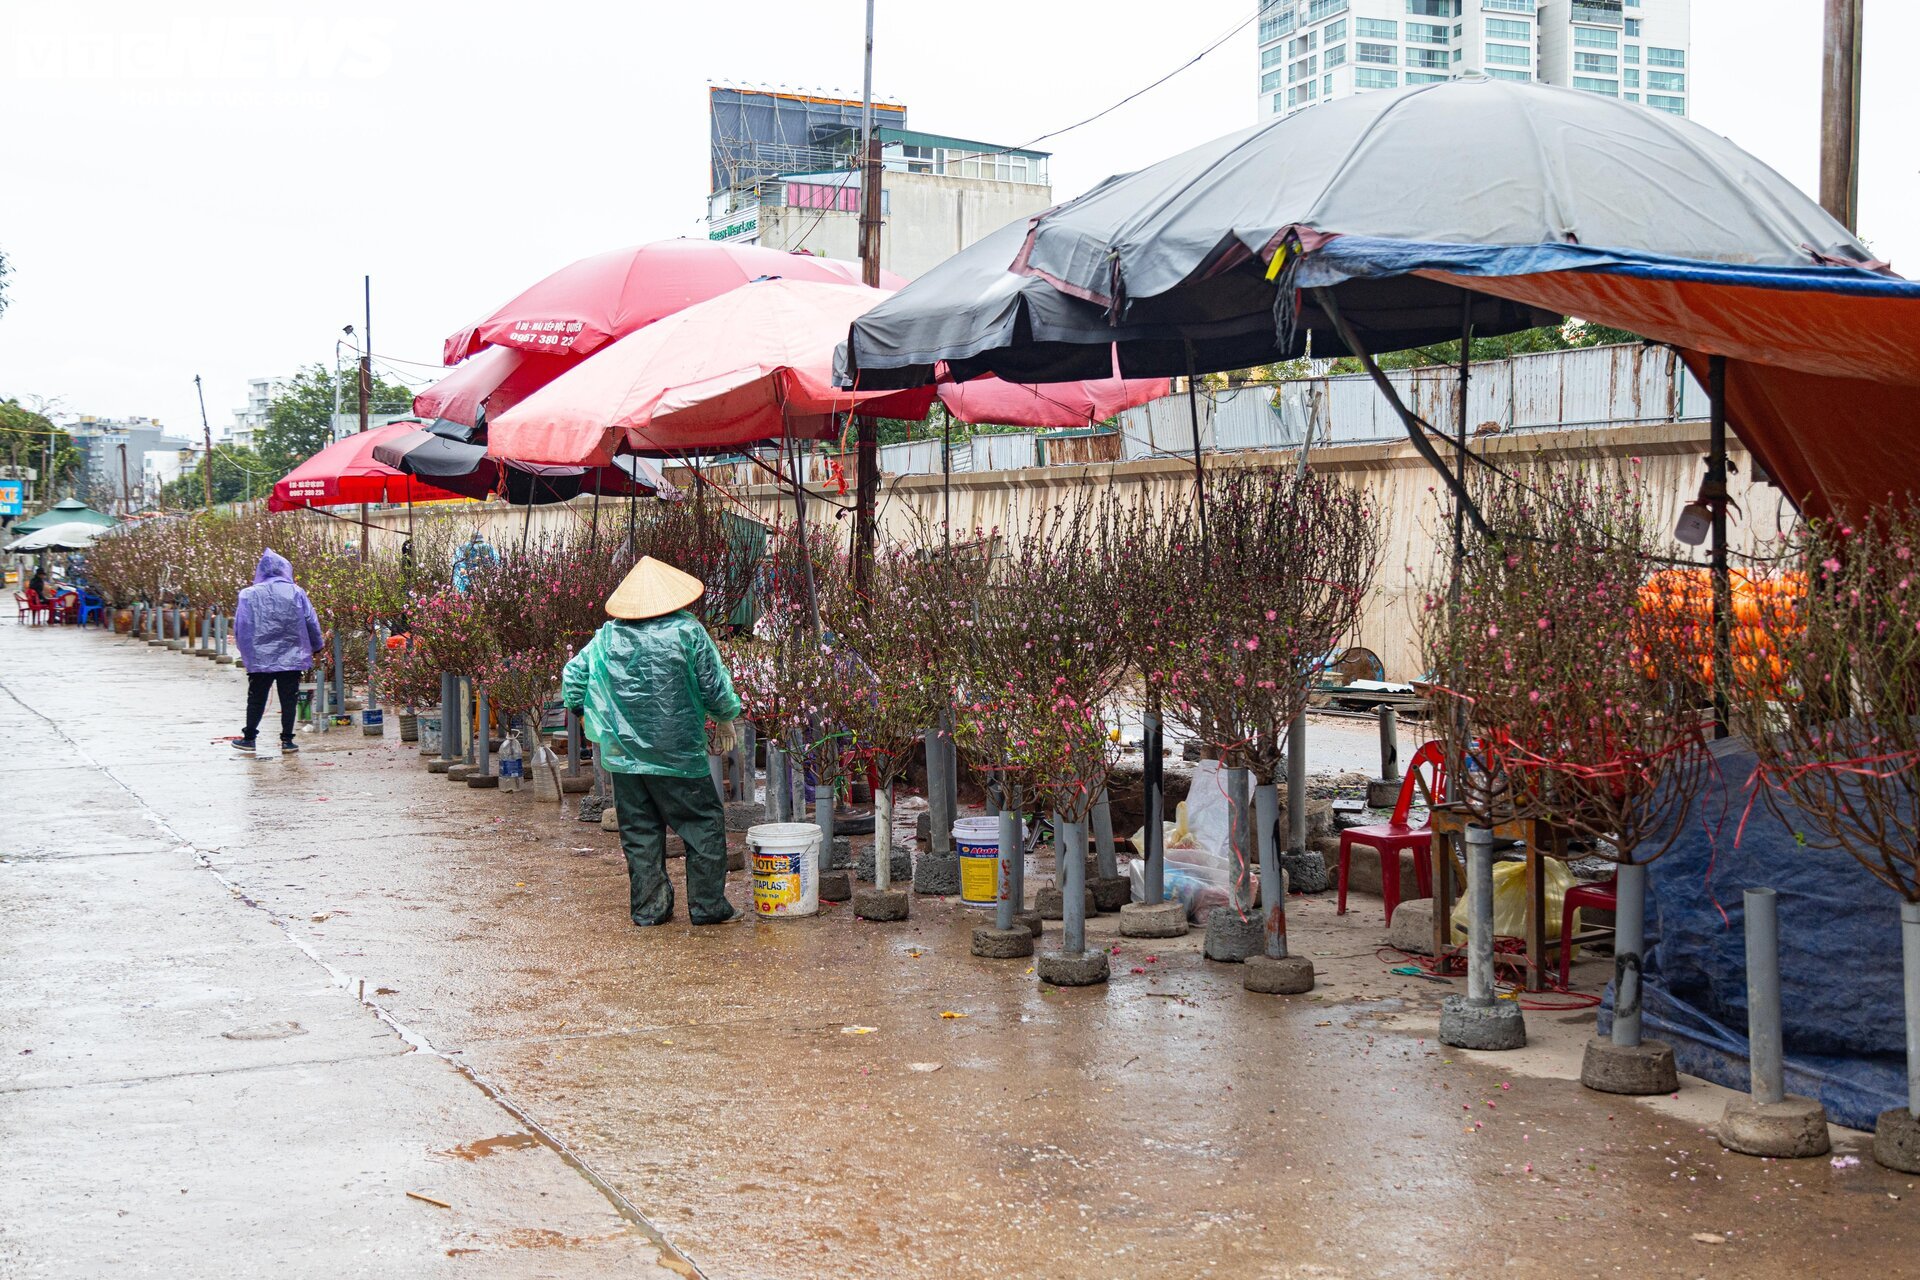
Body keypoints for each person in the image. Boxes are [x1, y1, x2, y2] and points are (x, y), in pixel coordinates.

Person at [563, 556, 742, 926]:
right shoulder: (687, 632)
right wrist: (726, 718)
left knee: (640, 830)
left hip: (623, 757)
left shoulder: (607, 636)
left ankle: (650, 909)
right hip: (677, 752)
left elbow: (573, 677)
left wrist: (584, 715)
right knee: (702, 823)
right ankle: (708, 906)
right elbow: (713, 686)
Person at [232, 549, 323, 754]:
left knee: (256, 697)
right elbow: (310, 621)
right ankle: (287, 741)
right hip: (291, 657)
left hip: (259, 658)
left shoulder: (248, 594)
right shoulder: (296, 592)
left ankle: (249, 738)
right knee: (288, 698)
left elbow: (240, 626)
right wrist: (317, 646)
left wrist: (246, 651)